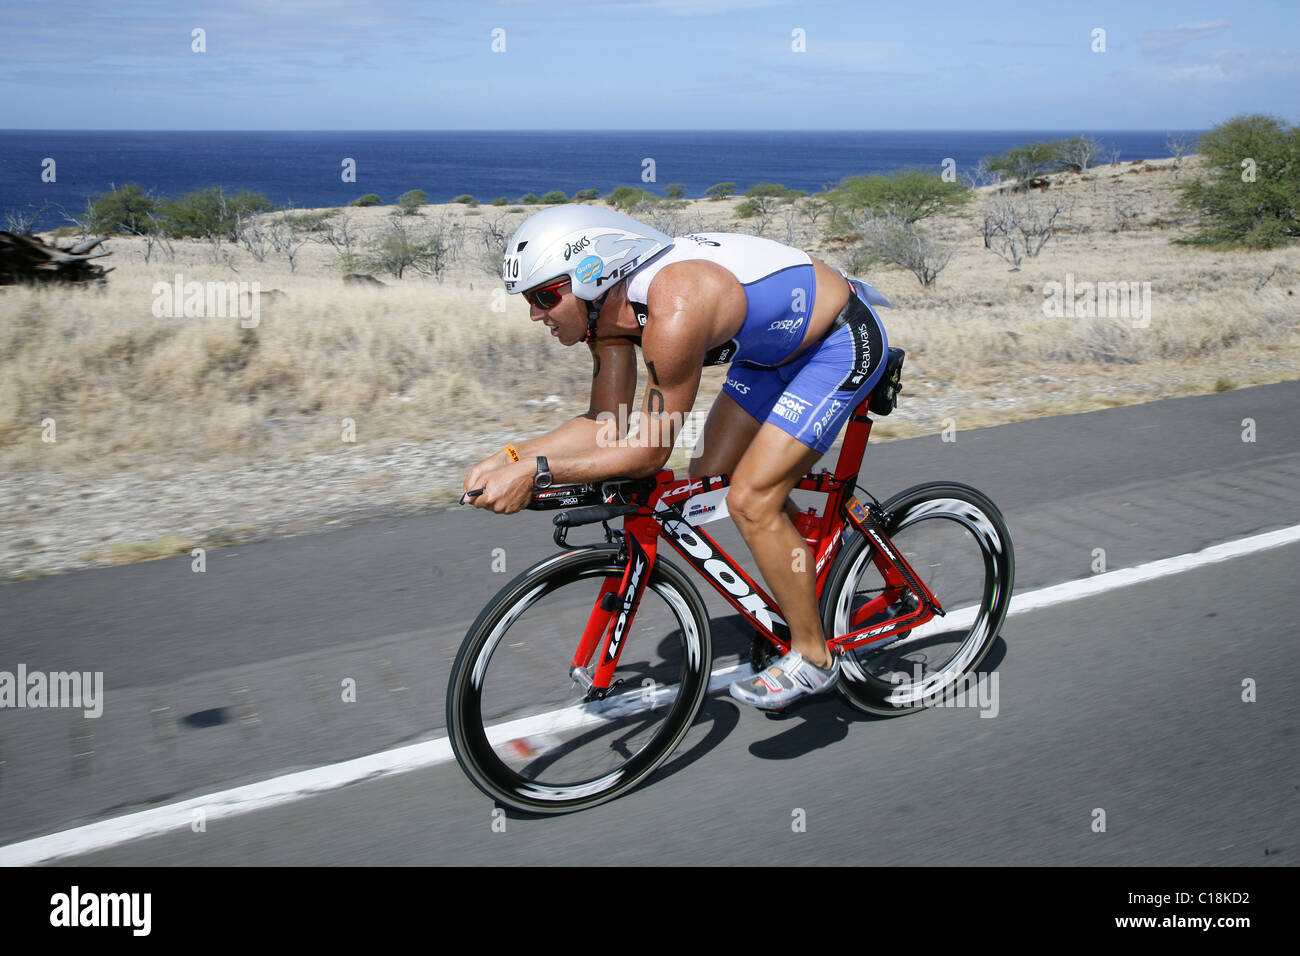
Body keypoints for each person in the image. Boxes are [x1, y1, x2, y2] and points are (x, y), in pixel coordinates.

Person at [463, 204, 890, 708]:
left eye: (544, 296)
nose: (536, 314)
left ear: (591, 276)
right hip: (770, 353)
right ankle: (804, 556)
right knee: (711, 475)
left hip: (838, 342)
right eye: (531, 301)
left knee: (752, 499)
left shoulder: (675, 306)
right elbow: (607, 423)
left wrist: (534, 473)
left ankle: (814, 658)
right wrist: (511, 454)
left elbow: (646, 452)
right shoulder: (608, 318)